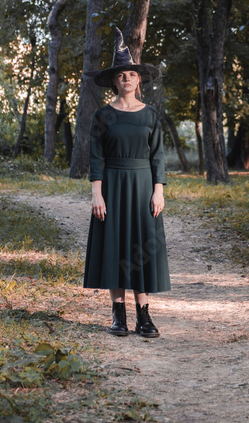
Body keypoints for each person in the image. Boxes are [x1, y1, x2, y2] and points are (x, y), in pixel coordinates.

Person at [83, 28, 170, 338]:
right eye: (122, 75)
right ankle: (118, 315)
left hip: (144, 186)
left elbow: (158, 156)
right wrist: (97, 194)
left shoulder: (150, 116)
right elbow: (96, 157)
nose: (127, 79)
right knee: (115, 247)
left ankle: (144, 317)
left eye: (132, 74)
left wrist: (159, 191)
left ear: (138, 79)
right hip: (112, 187)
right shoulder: (102, 116)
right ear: (115, 80)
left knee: (141, 248)